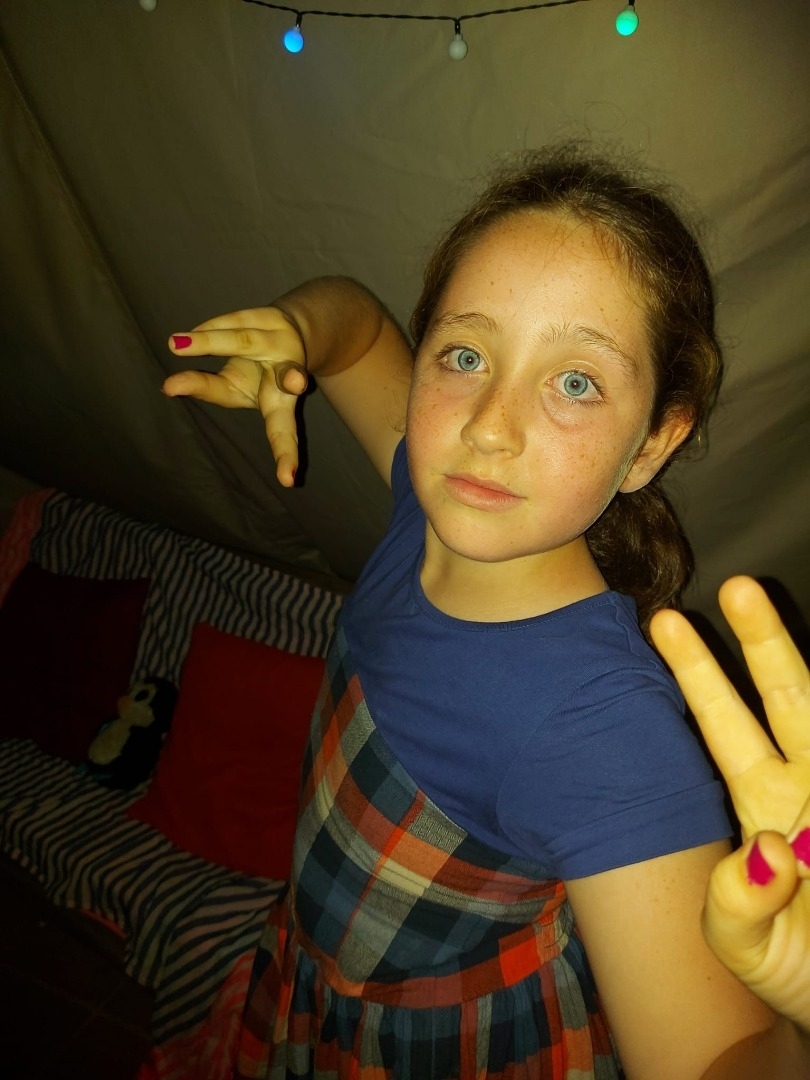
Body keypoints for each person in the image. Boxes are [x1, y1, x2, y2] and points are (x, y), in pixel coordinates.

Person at [164, 145, 810, 1078]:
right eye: (465, 356)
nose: (489, 426)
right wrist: (298, 330)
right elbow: (354, 326)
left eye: (575, 381)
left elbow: (714, 1059)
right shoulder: (424, 498)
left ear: (650, 445)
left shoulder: (602, 728)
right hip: (313, 981)